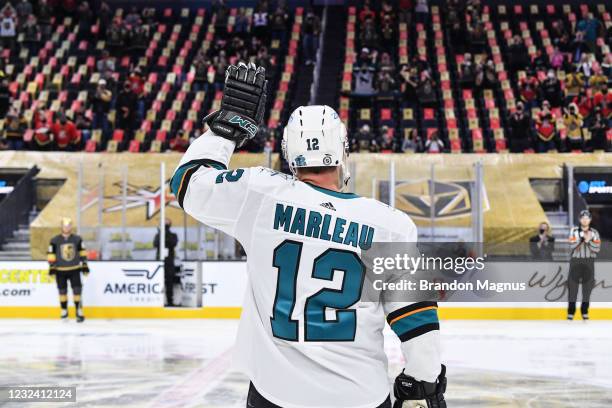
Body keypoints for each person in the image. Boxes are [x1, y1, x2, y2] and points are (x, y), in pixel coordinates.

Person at [170, 63, 446, 408]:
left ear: (288, 155)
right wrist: (422, 384)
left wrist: (226, 131)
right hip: (358, 395)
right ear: (343, 152)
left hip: (276, 394)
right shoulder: (390, 224)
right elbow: (417, 320)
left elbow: (188, 184)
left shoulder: (259, 194)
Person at [47, 218, 89, 322]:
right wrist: (52, 266)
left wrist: (84, 264)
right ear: (61, 226)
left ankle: (78, 311)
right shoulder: (54, 240)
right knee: (62, 291)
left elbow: (82, 252)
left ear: (71, 226)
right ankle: (64, 311)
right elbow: (51, 254)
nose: (67, 228)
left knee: (77, 291)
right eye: (65, 226)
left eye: (69, 225)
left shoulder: (77, 239)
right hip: (60, 270)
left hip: (74, 269)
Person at [567, 210, 600, 321]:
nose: (585, 220)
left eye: (587, 218)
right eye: (583, 218)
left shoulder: (595, 232)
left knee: (587, 288)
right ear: (579, 219)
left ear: (590, 220)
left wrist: (589, 241)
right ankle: (571, 312)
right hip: (575, 261)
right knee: (573, 288)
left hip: (589, 262)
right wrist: (583, 240)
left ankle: (584, 311)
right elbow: (571, 246)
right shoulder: (574, 231)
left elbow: (596, 249)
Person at [153, 219, 178, 307]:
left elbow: (172, 243)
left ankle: (170, 301)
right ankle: (157, 301)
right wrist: (161, 233)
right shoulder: (158, 235)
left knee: (169, 282)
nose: (165, 223)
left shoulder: (173, 235)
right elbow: (155, 244)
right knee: (157, 281)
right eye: (163, 222)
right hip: (159, 262)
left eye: (167, 222)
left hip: (169, 262)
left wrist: (165, 233)